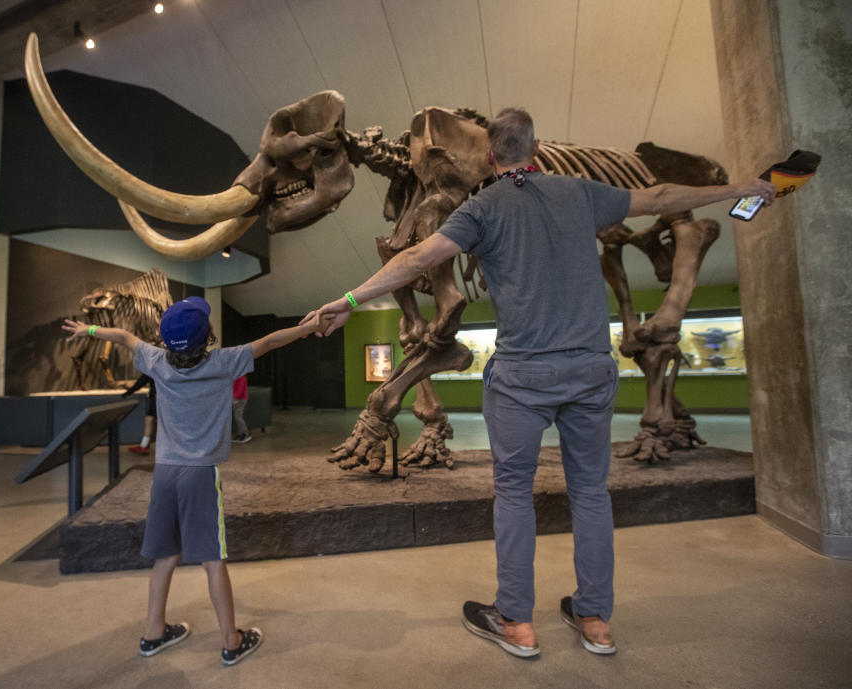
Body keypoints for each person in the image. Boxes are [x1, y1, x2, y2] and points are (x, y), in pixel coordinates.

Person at [304, 108, 776, 658]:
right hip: (590, 372)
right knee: (591, 495)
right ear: (537, 148)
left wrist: (350, 301)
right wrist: (745, 186)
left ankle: (515, 622)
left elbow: (418, 256)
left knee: (513, 495)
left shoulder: (482, 206)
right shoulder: (581, 192)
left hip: (524, 377)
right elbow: (661, 196)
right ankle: (596, 619)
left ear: (489, 156)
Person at [62, 297, 329, 665]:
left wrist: (88, 330)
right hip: (200, 475)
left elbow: (123, 336)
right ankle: (231, 641)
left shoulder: (155, 361)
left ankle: (153, 633)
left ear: (166, 338)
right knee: (212, 559)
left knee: (165, 555)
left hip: (165, 473)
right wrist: (309, 327)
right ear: (208, 338)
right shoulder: (222, 363)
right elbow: (268, 342)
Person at [123, 373, 156, 454]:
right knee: (150, 419)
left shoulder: (152, 368)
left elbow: (141, 382)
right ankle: (144, 445)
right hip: (162, 397)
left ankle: (144, 445)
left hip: (156, 398)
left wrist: (128, 392)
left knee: (150, 420)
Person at [231, 375, 251, 443]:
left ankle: (245, 434)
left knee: (238, 416)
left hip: (241, 399)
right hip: (236, 399)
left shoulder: (241, 376)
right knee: (237, 416)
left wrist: (234, 397)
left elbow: (240, 388)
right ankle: (240, 434)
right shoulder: (235, 375)